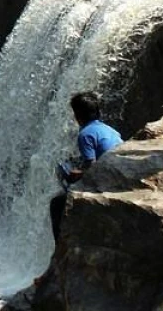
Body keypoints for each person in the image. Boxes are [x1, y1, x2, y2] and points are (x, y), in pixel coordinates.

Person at [49, 91, 123, 243]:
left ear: (77, 116)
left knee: (56, 204)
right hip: (121, 174)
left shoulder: (85, 134)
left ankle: (60, 248)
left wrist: (75, 174)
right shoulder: (109, 130)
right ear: (98, 112)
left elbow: (93, 167)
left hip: (109, 182)